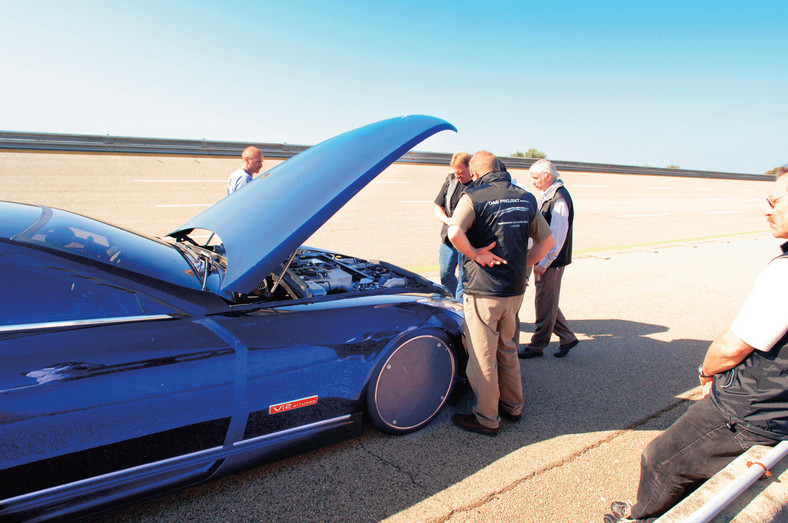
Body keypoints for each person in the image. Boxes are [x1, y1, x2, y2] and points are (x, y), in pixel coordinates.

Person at [605, 166, 788, 522]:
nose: (766, 210)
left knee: (660, 457)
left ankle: (640, 516)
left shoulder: (784, 274)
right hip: (775, 405)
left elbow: (733, 346)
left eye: (775, 201)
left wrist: (706, 373)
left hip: (752, 410)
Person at [447, 151, 554, 436]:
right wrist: (524, 264)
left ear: (477, 173)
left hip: (484, 290)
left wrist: (474, 254)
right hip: (514, 290)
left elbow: (455, 231)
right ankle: (513, 405)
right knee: (507, 349)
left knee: (482, 357)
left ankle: (487, 418)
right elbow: (547, 241)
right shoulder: (526, 197)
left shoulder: (474, 197)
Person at [519, 159, 579, 359]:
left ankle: (537, 346)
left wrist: (544, 263)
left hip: (552, 262)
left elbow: (557, 236)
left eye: (536, 178)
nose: (533, 181)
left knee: (544, 304)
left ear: (547, 176)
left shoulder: (559, 199)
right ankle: (568, 337)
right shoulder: (550, 195)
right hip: (546, 259)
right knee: (548, 302)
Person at [434, 152, 473, 300]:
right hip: (449, 238)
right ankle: (453, 300)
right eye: (456, 172)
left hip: (468, 239)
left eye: (461, 172)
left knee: (464, 279)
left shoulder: (479, 185)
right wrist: (447, 220)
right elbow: (438, 206)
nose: (458, 176)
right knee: (445, 273)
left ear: (470, 168)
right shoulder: (450, 181)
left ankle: (460, 309)